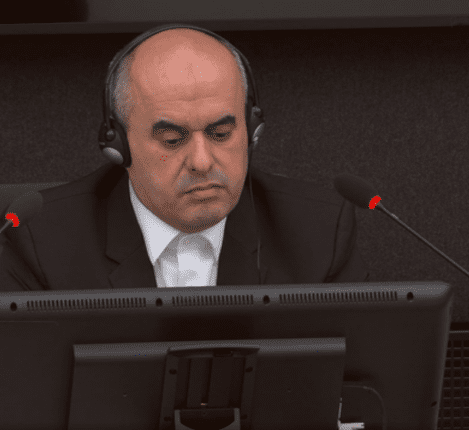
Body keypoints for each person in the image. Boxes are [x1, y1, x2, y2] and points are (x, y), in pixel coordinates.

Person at [0, 25, 369, 291]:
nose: (202, 161)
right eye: (173, 140)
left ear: (252, 130)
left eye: (221, 134)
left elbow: (359, 374)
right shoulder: (41, 242)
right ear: (118, 146)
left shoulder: (318, 232)